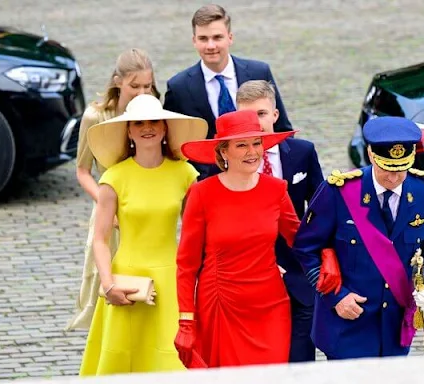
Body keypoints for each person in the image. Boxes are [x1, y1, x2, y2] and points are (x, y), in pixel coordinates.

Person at [291, 116, 424, 359]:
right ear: (371, 155)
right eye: (386, 169)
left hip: (395, 326)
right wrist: (336, 296)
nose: (394, 178)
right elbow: (305, 248)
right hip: (349, 324)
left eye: (401, 169)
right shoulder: (339, 192)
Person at [78, 94, 208, 375]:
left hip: (172, 279)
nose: (147, 127)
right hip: (126, 280)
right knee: (124, 360)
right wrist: (109, 285)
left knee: (171, 359)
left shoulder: (185, 174)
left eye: (154, 122)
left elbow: (198, 234)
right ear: (129, 131)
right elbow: (100, 239)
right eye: (138, 123)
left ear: (164, 129)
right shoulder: (114, 178)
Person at [174, 109, 300, 368]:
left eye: (257, 143)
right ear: (223, 151)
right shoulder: (202, 194)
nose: (252, 151)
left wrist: (329, 253)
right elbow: (186, 265)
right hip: (222, 305)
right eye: (241, 145)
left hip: (270, 306)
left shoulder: (276, 189)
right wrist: (186, 320)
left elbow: (301, 239)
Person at [66, 48, 161, 331]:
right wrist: (106, 205)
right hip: (110, 210)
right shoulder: (96, 116)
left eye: (147, 85)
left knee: (147, 282)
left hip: (145, 207)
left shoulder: (154, 110)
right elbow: (82, 171)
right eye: (135, 86)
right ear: (118, 81)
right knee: (105, 281)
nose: (142, 92)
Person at [235, 80, 323, 362]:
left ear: (274, 115)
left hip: (300, 277)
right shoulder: (229, 162)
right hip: (254, 280)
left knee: (301, 362)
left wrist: (319, 259)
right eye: (247, 116)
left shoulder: (302, 152)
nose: (256, 123)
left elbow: (320, 209)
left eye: (261, 114)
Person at [163, 4, 293, 180]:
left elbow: (282, 128)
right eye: (203, 38)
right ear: (194, 40)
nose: (211, 45)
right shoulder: (179, 87)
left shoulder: (258, 72)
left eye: (217, 37)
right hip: (208, 182)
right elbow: (174, 145)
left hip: (261, 174)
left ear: (230, 38)